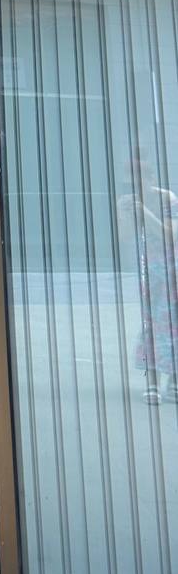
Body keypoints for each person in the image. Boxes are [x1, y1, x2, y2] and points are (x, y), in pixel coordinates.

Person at [118, 147, 178, 404]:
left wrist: (145, 212)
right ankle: (152, 382)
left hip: (173, 267)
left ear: (151, 178)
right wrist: (126, 214)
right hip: (150, 270)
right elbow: (124, 237)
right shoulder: (127, 202)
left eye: (141, 178)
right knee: (152, 324)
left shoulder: (167, 199)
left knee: (173, 323)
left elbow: (170, 234)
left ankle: (174, 381)